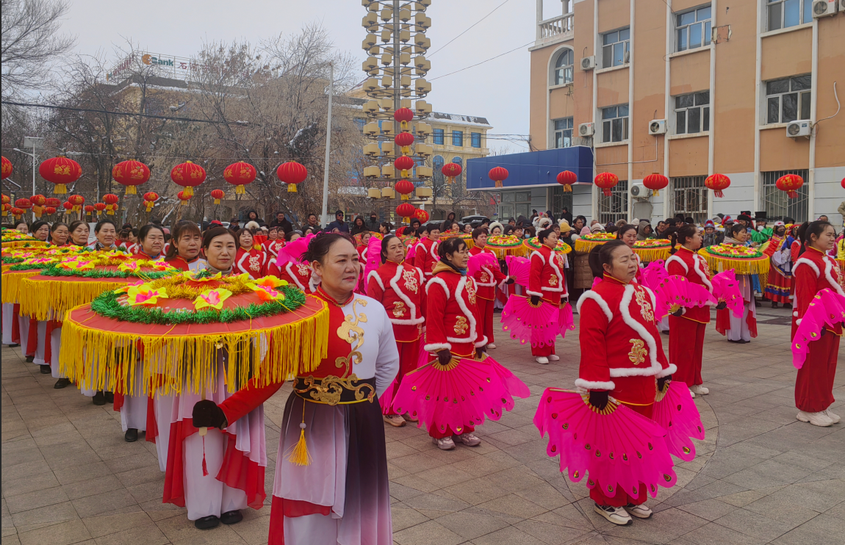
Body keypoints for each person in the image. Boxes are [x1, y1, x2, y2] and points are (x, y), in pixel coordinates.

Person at [193, 233, 399, 543]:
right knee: (310, 499)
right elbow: (271, 375)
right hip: (310, 421)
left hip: (363, 421)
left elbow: (388, 366)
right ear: (317, 266)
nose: (352, 267)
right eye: (341, 260)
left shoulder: (374, 310)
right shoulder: (298, 312)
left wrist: (361, 403)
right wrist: (225, 412)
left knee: (360, 497)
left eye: (355, 259)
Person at [159, 227, 267, 530]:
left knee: (236, 431)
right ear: (204, 250)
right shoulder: (186, 286)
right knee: (203, 437)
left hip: (238, 370)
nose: (225, 251)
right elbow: (172, 327)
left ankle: (233, 501)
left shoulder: (251, 287)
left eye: (230, 246)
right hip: (200, 370)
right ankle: (203, 506)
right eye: (218, 245)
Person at [576, 240, 675, 525]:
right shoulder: (596, 298)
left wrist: (662, 369)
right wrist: (597, 385)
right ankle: (605, 499)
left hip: (644, 383)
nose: (632, 263)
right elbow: (591, 344)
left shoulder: (643, 292)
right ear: (606, 267)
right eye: (624, 260)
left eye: (633, 257)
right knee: (611, 445)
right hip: (615, 386)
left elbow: (652, 334)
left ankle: (633, 495)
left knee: (641, 443)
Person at [424, 237, 489, 449]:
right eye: (461, 251)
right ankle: (441, 432)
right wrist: (440, 347)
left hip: (467, 345)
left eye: (467, 251)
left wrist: (479, 340)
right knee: (445, 392)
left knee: (467, 391)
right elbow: (434, 316)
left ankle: (465, 429)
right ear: (448, 256)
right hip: (448, 348)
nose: (466, 255)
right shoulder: (438, 282)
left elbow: (475, 313)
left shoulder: (468, 280)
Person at [368, 234, 425, 427]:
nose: (398, 250)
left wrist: (423, 322)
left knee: (410, 369)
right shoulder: (378, 274)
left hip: (413, 326)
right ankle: (389, 410)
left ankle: (406, 406)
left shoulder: (415, 272)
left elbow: (422, 300)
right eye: (393, 248)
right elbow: (374, 305)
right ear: (384, 252)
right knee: (392, 369)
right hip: (391, 328)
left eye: (400, 246)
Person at [792, 221, 842, 427]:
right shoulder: (806, 262)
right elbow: (805, 297)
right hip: (814, 324)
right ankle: (808, 408)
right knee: (814, 366)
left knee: (827, 366)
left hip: (831, 322)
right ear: (813, 236)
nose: (833, 239)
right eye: (829, 235)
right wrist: (811, 325)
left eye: (834, 235)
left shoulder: (825, 259)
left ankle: (822, 404)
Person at [665, 225, 715, 397]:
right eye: (698, 235)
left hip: (700, 309)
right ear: (687, 238)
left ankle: (694, 381)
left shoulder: (698, 258)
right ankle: (679, 383)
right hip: (685, 311)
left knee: (696, 348)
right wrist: (678, 306)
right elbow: (675, 285)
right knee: (682, 349)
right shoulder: (677, 259)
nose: (701, 238)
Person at [527, 228, 568, 364]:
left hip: (555, 293)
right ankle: (540, 352)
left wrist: (563, 293)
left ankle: (550, 350)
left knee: (552, 323)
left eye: (557, 237)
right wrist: (535, 293)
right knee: (541, 324)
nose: (556, 239)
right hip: (543, 294)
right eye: (553, 237)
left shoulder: (557, 255)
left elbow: (561, 276)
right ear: (544, 239)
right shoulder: (538, 254)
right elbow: (534, 275)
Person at [716, 224, 757, 343]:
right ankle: (734, 335)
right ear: (734, 233)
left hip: (745, 278)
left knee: (744, 304)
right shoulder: (726, 247)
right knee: (734, 304)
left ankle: (744, 334)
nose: (745, 235)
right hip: (732, 280)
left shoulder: (746, 247)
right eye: (742, 232)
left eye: (746, 232)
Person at [469, 228, 508, 350]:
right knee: (479, 316)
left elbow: (495, 270)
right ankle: (479, 339)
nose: (484, 239)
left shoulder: (491, 253)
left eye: (485, 236)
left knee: (489, 316)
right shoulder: (470, 253)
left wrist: (505, 278)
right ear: (474, 239)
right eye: (481, 237)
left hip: (490, 289)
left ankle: (489, 339)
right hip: (478, 289)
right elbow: (470, 273)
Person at [764, 222, 793, 308]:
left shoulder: (789, 239)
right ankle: (774, 301)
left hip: (786, 263)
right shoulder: (771, 239)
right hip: (774, 264)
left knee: (786, 282)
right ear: (775, 229)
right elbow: (767, 250)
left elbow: (794, 248)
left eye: (782, 227)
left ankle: (786, 302)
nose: (781, 229)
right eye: (779, 227)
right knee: (775, 281)